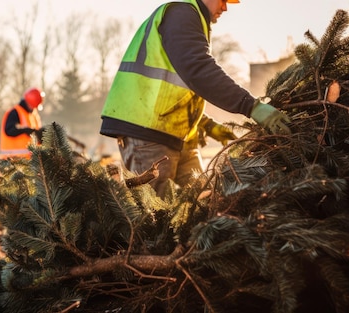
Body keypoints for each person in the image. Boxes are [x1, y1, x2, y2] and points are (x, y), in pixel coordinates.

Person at [100, 0, 291, 197]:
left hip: (175, 136)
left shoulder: (190, 19)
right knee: (156, 215)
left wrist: (206, 125)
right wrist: (252, 107)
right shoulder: (181, 14)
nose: (225, 8)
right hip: (147, 136)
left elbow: (176, 91)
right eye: (223, 0)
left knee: (204, 200)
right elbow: (199, 71)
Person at [0, 87, 45, 159]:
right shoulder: (14, 112)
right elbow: (9, 130)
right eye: (33, 106)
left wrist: (42, 135)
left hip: (30, 162)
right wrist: (26, 130)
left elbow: (36, 136)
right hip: (13, 162)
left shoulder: (34, 115)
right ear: (27, 102)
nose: (34, 108)